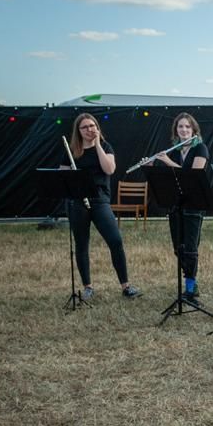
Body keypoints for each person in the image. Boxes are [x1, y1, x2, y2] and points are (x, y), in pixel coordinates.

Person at [62, 112, 142, 300]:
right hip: (78, 203)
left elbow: (110, 169)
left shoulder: (105, 146)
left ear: (97, 128)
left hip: (100, 201)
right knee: (82, 244)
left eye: (92, 126)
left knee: (115, 241)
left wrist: (97, 144)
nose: (89, 129)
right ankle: (88, 287)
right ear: (78, 131)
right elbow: (63, 178)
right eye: (85, 127)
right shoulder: (72, 151)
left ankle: (126, 286)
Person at [155, 112, 208, 301]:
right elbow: (169, 178)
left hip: (194, 203)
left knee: (190, 248)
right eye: (180, 126)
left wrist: (168, 162)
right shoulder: (175, 151)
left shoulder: (200, 148)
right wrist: (152, 165)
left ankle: (191, 288)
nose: (184, 130)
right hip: (176, 204)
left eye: (187, 126)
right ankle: (190, 280)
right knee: (179, 248)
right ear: (176, 130)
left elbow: (193, 175)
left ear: (193, 130)